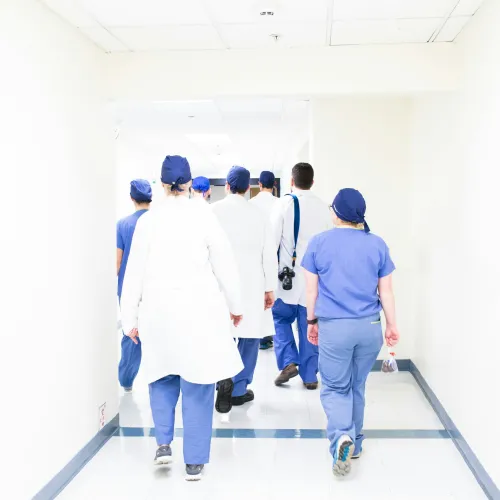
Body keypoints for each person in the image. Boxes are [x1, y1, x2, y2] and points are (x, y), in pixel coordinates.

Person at [120, 155, 244, 481]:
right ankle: (194, 462)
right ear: (189, 183)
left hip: (158, 315)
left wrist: (128, 317)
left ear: (161, 185)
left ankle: (163, 445)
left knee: (161, 378)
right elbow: (225, 265)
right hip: (198, 315)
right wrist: (236, 305)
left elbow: (133, 274)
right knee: (198, 386)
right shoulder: (204, 216)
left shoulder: (148, 221)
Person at [302, 188, 399, 477]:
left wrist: (311, 321)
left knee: (334, 387)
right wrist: (392, 325)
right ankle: (355, 444)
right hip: (369, 328)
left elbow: (311, 290)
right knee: (357, 385)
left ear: (336, 213)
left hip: (335, 328)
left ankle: (341, 436)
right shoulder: (377, 244)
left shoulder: (318, 243)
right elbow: (387, 292)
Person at [212, 166, 277, 411]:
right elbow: (269, 255)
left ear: (227, 186)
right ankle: (238, 389)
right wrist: (270, 288)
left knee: (220, 334)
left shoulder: (212, 212)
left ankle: (221, 379)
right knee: (250, 336)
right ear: (248, 189)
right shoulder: (259, 214)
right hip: (252, 284)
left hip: (219, 284)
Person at [271, 163, 331, 390]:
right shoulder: (325, 208)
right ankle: (309, 376)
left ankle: (288, 361)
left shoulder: (285, 203)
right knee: (310, 324)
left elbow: (272, 241)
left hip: (287, 279)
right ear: (312, 182)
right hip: (314, 280)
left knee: (280, 319)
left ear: (292, 182)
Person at [116, 179, 152, 392]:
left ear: (132, 198)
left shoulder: (123, 224)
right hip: (155, 286)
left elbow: (117, 262)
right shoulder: (159, 222)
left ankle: (127, 380)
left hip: (129, 287)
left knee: (132, 332)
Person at [250, 170, 279, 350]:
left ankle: (261, 337)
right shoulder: (281, 203)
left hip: (256, 255)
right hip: (276, 253)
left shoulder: (251, 204)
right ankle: (273, 335)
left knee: (258, 294)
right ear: (274, 186)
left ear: (259, 184)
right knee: (274, 295)